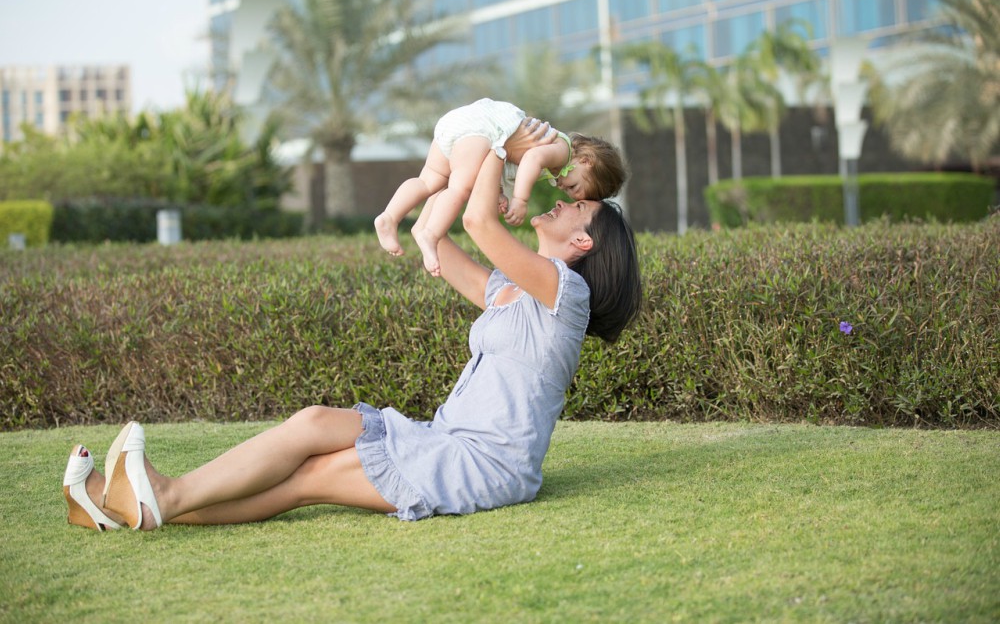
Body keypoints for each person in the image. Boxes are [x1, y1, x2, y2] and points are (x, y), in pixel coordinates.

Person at [61, 120, 643, 530]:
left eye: (578, 207)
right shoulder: (514, 290)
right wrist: (443, 175)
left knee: (313, 477)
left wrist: (497, 133)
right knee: (314, 424)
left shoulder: (567, 292)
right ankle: (120, 505)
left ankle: (157, 499)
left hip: (483, 464)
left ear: (583, 241)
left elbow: (480, 222)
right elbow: (442, 238)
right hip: (440, 436)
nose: (564, 200)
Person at [374, 98, 627, 276]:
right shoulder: (562, 151)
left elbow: (504, 161)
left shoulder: (555, 162)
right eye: (574, 187)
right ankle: (430, 234)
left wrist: (499, 192)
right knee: (460, 188)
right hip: (482, 129)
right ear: (586, 161)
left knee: (429, 180)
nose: (565, 191)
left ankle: (389, 216)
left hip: (462, 124)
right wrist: (519, 199)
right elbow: (529, 158)